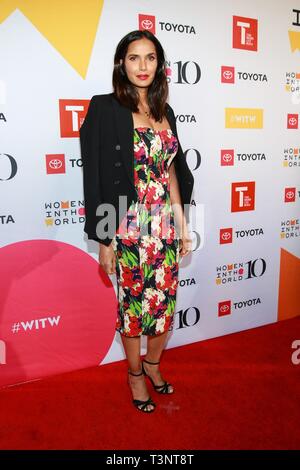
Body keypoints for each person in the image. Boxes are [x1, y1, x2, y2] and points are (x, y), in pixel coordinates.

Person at [80, 30, 194, 413]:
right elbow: (94, 176)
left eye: (150, 58)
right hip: (126, 227)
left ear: (160, 66)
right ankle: (133, 375)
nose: (142, 66)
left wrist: (182, 224)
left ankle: (153, 364)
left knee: (163, 305)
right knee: (133, 310)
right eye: (133, 58)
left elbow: (171, 173)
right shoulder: (104, 108)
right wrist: (104, 238)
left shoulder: (166, 112)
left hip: (162, 226)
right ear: (121, 63)